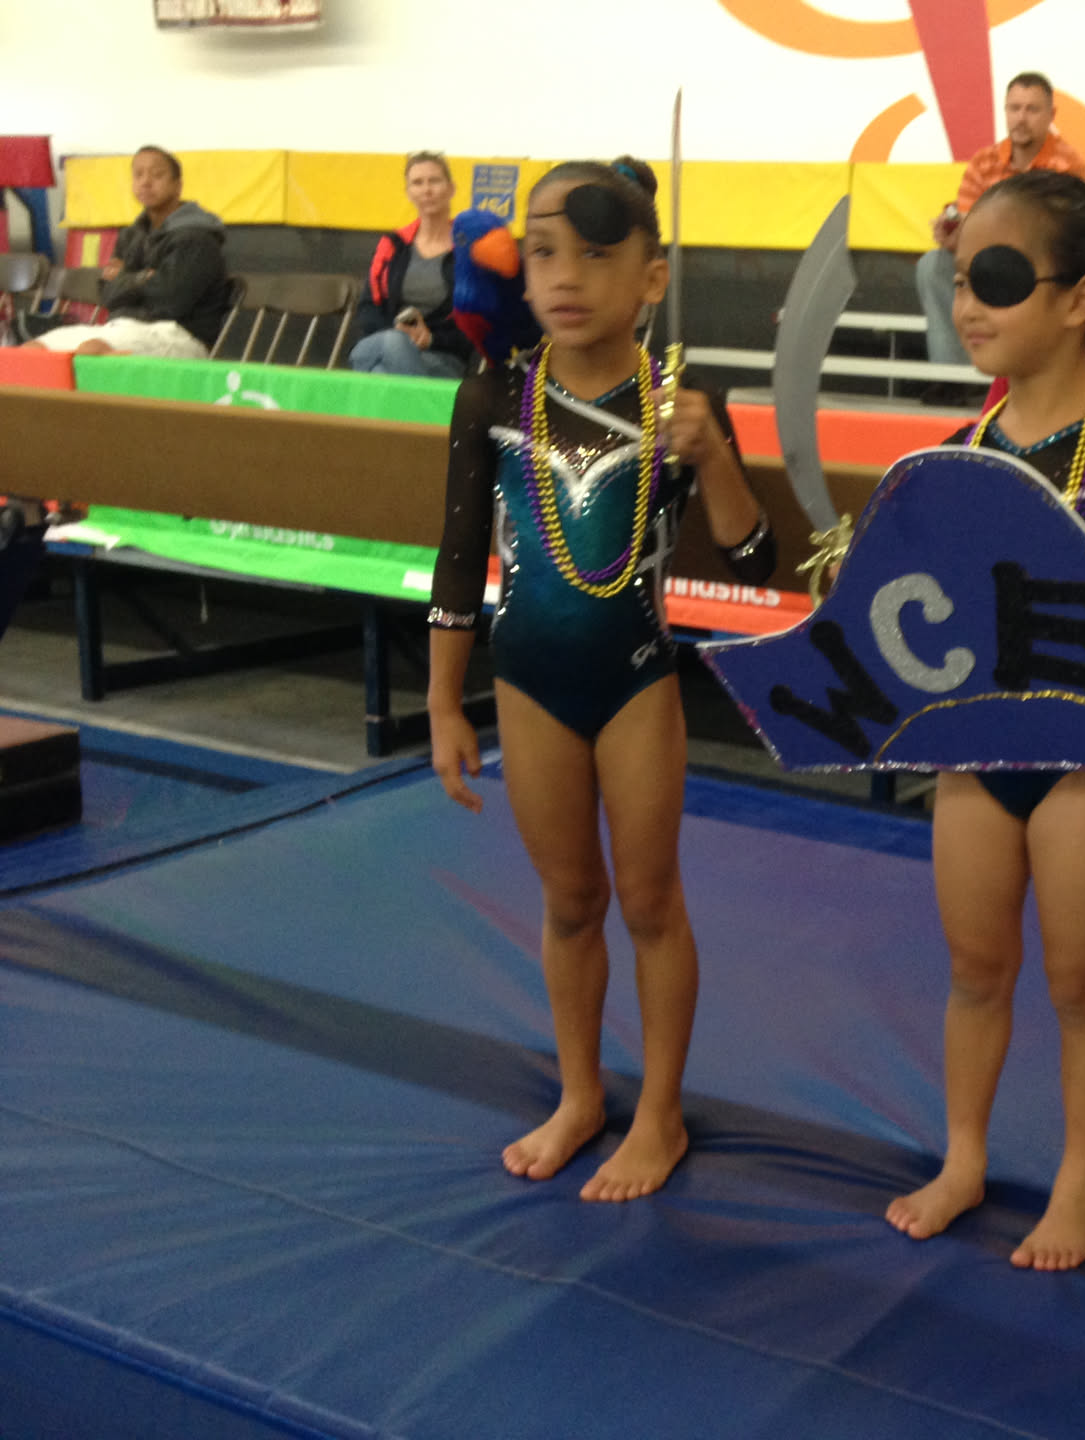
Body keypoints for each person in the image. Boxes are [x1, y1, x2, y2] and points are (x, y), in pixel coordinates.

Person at [426, 158, 775, 1202]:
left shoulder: (679, 404)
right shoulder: (494, 395)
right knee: (570, 900)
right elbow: (458, 556)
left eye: (594, 254)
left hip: (634, 683)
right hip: (528, 681)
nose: (565, 277)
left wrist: (712, 459)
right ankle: (581, 1094)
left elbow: (755, 563)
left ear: (652, 279)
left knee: (650, 900)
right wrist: (444, 701)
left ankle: (659, 1114)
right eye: (543, 254)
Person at [884, 170, 1085, 1271]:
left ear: (1080, 299)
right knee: (975, 970)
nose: (967, 305)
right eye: (961, 280)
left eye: (997, 281)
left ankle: (1079, 1184)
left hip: (1081, 759)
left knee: (1077, 982)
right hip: (973, 753)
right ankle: (964, 1158)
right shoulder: (958, 452)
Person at [916, 72, 1085, 376]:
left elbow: (1063, 236)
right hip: (985, 261)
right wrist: (953, 234)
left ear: (1051, 115)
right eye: (1014, 108)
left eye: (1032, 109)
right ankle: (951, 378)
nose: (1021, 118)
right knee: (933, 265)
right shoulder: (984, 161)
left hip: (1037, 266)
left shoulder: (1068, 165)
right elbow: (967, 226)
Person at [24, 146, 227, 359]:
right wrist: (143, 278)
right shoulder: (132, 235)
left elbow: (170, 303)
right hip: (121, 326)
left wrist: (125, 280)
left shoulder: (197, 238)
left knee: (91, 351)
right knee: (32, 350)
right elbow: (108, 295)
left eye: (157, 175)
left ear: (178, 186)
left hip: (179, 335)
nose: (146, 182)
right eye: (138, 174)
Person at [350, 151, 474, 379]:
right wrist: (397, 333)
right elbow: (368, 308)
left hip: (442, 358)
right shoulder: (393, 245)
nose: (426, 190)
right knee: (393, 343)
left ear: (451, 189)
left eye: (434, 181)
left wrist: (432, 339)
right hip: (385, 342)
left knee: (378, 371)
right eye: (418, 183)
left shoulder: (469, 249)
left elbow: (477, 324)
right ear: (409, 193)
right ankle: (419, 402)